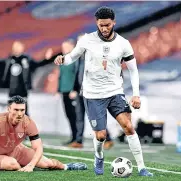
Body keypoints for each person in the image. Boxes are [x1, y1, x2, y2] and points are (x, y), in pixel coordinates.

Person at [54, 6, 153, 177]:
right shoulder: (87, 40)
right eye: (101, 25)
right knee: (101, 136)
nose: (104, 28)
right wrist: (63, 59)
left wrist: (135, 94)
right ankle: (98, 156)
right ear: (97, 23)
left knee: (128, 126)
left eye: (107, 25)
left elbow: (133, 70)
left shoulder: (123, 44)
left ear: (113, 22)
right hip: (93, 94)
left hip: (115, 92)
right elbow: (73, 56)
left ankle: (142, 167)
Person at [0, 95, 87, 172]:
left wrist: (31, 165)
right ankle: (20, 165)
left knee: (47, 163)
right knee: (13, 165)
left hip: (16, 150)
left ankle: (67, 166)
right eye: (16, 110)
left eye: (22, 110)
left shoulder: (28, 122)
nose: (19, 113)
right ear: (9, 109)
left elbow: (38, 147)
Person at [0, 41, 55, 115]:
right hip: (13, 91)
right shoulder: (9, 60)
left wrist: (47, 59)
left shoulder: (26, 59)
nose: (17, 48)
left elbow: (39, 64)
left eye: (19, 47)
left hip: (23, 91)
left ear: (22, 48)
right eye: (15, 47)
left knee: (24, 113)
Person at [70, 34, 114, 149]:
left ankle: (108, 138)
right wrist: (75, 89)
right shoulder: (79, 57)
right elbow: (77, 75)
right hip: (81, 92)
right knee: (79, 117)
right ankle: (78, 141)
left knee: (96, 116)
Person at [58, 39, 79, 146]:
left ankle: (77, 138)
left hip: (72, 92)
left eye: (65, 47)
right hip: (64, 91)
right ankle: (73, 137)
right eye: (63, 47)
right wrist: (58, 89)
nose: (63, 49)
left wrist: (74, 89)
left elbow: (76, 75)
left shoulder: (74, 59)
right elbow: (61, 76)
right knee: (69, 115)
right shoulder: (63, 59)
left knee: (75, 116)